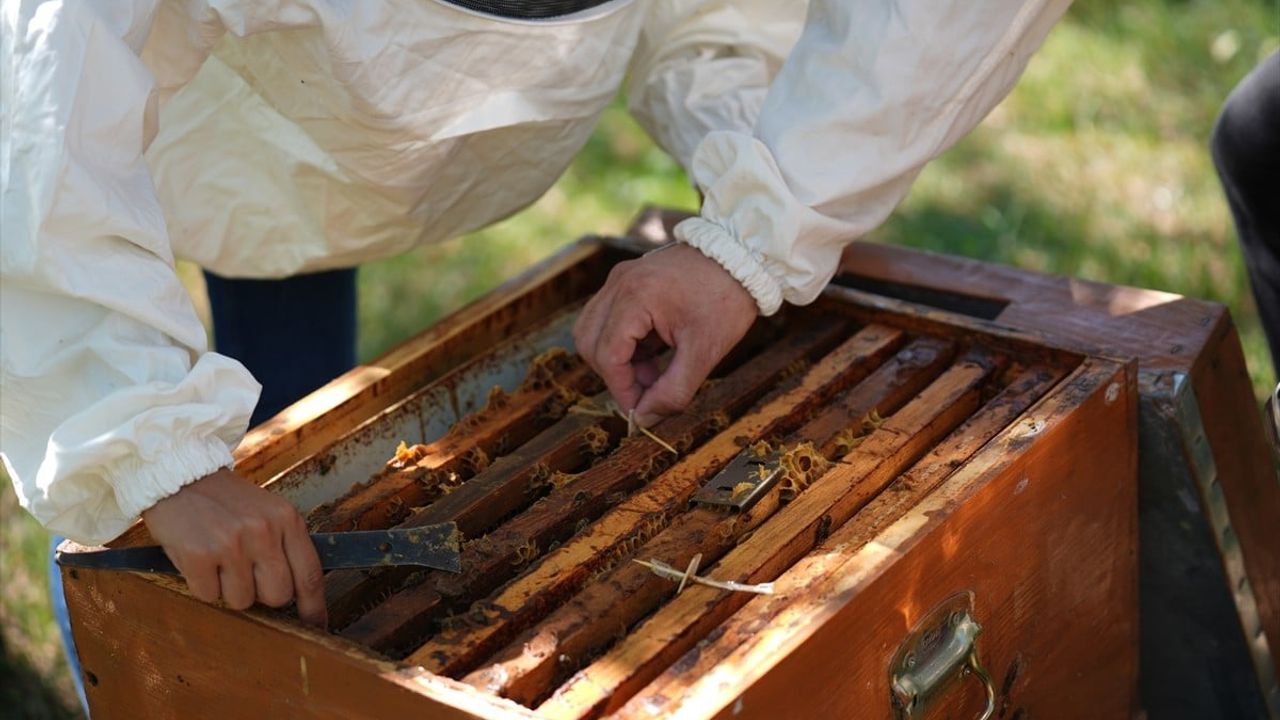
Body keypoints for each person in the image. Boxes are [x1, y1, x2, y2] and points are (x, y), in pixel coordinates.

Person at [2, 0, 1069, 707]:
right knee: (166, 527)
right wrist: (147, 456)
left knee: (281, 396)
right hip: (196, 79)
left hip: (291, 85)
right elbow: (34, 99)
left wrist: (754, 236)